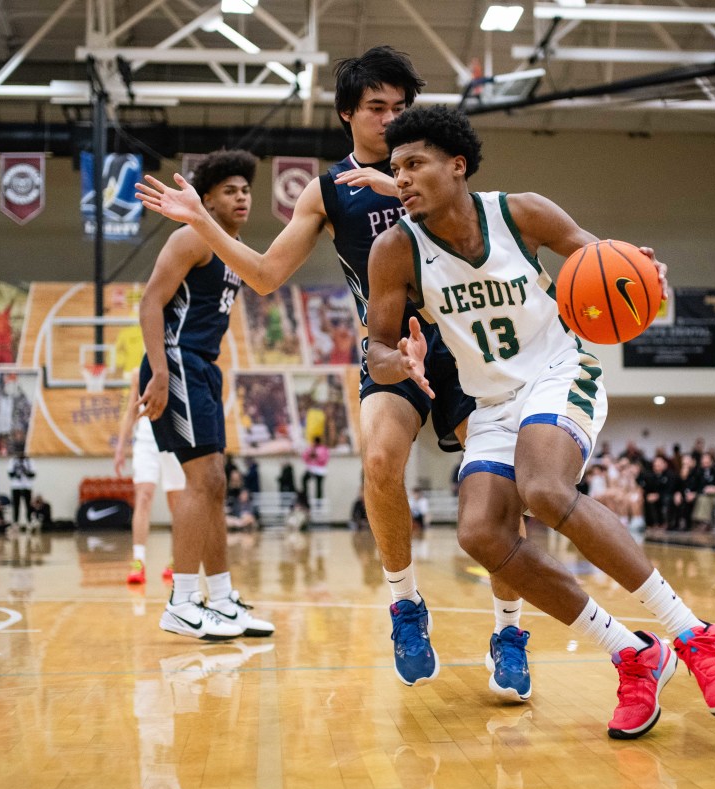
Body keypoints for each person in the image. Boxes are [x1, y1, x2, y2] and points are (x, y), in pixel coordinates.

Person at [136, 47, 526, 694]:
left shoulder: (431, 168)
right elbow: (262, 275)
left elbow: (486, 243)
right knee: (378, 461)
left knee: (502, 490)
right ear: (348, 113)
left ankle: (510, 631)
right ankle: (405, 605)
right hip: (387, 350)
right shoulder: (327, 190)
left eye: (401, 108)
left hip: (465, 345)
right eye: (378, 108)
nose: (391, 119)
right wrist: (201, 219)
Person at [366, 105, 715, 737]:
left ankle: (694, 635)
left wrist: (645, 274)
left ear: (457, 165)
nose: (401, 178)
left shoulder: (521, 214)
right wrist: (397, 361)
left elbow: (605, 261)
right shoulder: (395, 250)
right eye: (395, 168)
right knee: (480, 535)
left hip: (557, 373)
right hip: (489, 403)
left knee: (544, 489)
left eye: (414, 164)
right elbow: (375, 345)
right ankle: (634, 654)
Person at [136, 149, 273, 641]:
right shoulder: (192, 237)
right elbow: (150, 302)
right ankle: (182, 600)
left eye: (245, 190)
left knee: (215, 482)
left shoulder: (232, 247)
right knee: (200, 482)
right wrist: (156, 371)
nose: (241, 198)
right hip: (173, 361)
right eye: (229, 191)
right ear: (207, 199)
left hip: (203, 368)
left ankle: (221, 598)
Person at [114, 364, 185, 585]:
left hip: (173, 436)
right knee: (143, 496)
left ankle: (177, 559)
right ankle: (138, 561)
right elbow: (131, 412)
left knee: (177, 503)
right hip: (146, 438)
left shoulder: (178, 366)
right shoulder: (138, 372)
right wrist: (120, 448)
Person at [7, 452, 35, 529]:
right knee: (16, 505)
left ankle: (29, 522)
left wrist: (25, 471)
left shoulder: (30, 461)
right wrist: (17, 472)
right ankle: (16, 523)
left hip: (27, 486)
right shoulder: (12, 461)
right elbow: (10, 474)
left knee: (28, 505)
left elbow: (33, 475)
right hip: (16, 486)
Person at [300, 436, 329, 500]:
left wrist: (316, 456)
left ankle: (318, 500)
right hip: (311, 469)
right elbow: (304, 457)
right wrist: (310, 454)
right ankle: (305, 495)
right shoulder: (310, 449)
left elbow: (324, 460)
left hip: (319, 470)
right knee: (304, 479)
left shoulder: (323, 449)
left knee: (318, 486)